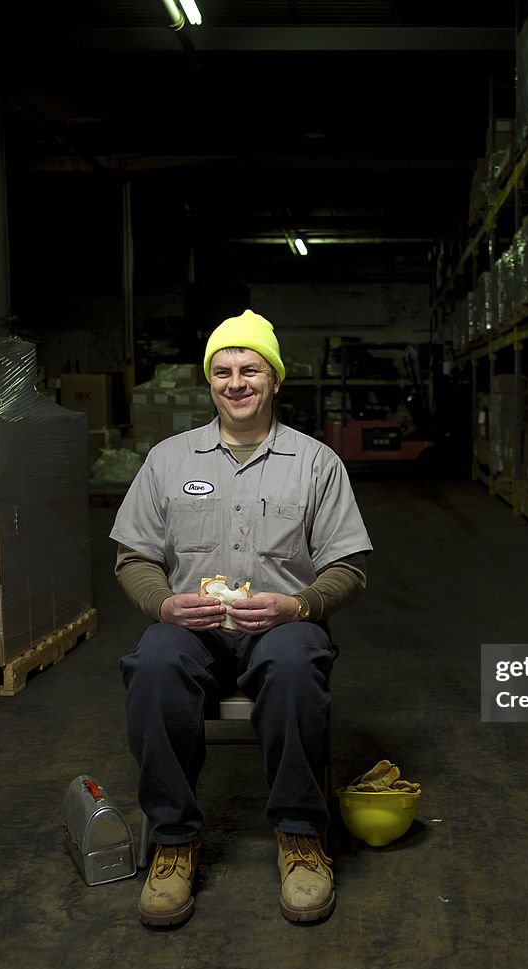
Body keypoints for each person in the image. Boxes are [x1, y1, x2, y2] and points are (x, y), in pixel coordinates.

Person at [110, 309, 372, 928]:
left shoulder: (315, 463)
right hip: (191, 626)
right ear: (210, 383)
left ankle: (302, 838)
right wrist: (163, 603)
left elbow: (350, 566)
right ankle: (173, 841)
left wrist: (299, 604)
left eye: (250, 369)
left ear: (274, 379)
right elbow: (133, 556)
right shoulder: (168, 461)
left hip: (281, 624)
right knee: (152, 663)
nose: (236, 382)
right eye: (222, 371)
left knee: (295, 665)